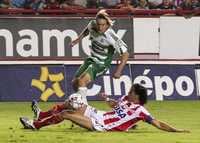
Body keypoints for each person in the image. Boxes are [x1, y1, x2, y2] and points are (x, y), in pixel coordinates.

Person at [20, 84, 189, 133]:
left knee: (66, 114)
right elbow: (114, 105)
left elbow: (158, 124)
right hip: (98, 114)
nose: (128, 92)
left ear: (137, 96)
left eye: (131, 91)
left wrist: (178, 130)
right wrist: (107, 99)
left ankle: (36, 125)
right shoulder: (125, 100)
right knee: (73, 100)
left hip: (102, 125)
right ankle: (41, 114)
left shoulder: (141, 111)